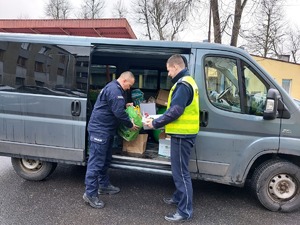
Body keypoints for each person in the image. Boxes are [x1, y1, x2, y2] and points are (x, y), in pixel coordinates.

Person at [145, 54, 199, 222]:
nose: (168, 74)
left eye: (169, 70)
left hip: (183, 135)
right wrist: (157, 119)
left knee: (181, 173)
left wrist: (155, 123)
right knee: (178, 170)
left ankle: (184, 211)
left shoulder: (182, 85)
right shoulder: (188, 81)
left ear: (176, 67)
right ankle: (178, 197)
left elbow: (176, 111)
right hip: (183, 133)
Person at [83, 71, 139, 209]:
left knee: (105, 160)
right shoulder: (115, 90)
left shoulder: (114, 88)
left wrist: (125, 106)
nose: (129, 89)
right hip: (99, 131)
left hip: (106, 131)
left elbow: (115, 107)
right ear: (124, 81)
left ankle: (103, 185)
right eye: (129, 85)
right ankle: (90, 194)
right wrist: (131, 125)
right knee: (95, 163)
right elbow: (119, 113)